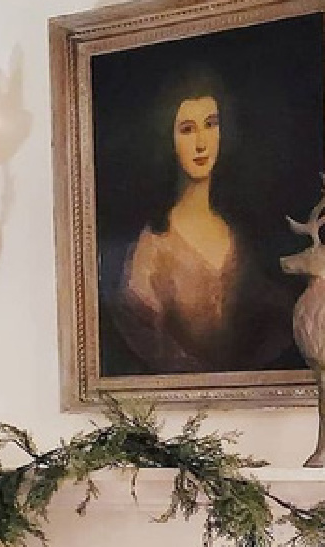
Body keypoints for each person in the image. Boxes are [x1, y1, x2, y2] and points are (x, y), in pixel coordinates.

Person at [110, 69, 297, 375]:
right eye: (186, 129)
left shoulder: (241, 235)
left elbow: (279, 320)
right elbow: (146, 337)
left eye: (211, 124)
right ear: (166, 139)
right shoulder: (152, 248)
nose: (201, 143)